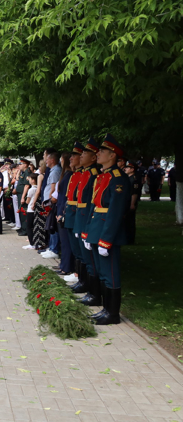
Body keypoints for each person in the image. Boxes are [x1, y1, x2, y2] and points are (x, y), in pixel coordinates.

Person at [85, 134, 131, 324]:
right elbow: (94, 206)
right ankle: (105, 309)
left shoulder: (118, 179)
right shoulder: (103, 176)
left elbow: (115, 211)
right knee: (103, 273)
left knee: (111, 274)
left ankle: (112, 314)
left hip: (107, 231)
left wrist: (106, 239)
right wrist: (88, 232)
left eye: (102, 151)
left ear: (113, 155)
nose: (98, 153)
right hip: (97, 227)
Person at [75, 138, 102, 305]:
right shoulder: (85, 173)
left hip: (87, 217)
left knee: (91, 260)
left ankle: (93, 293)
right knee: (82, 255)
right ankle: (86, 286)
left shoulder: (93, 174)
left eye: (85, 153)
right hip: (80, 215)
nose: (80, 156)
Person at [61, 142, 85, 283]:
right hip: (71, 212)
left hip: (79, 214)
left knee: (81, 251)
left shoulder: (85, 175)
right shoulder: (76, 174)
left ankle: (80, 276)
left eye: (75, 155)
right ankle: (78, 275)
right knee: (76, 249)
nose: (71, 158)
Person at [54, 150, 76, 276]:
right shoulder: (66, 174)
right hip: (61, 208)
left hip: (63, 210)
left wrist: (62, 212)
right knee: (64, 240)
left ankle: (66, 266)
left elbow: (66, 197)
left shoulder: (69, 175)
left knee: (66, 241)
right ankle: (64, 264)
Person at [122, 161, 142, 245]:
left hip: (130, 202)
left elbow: (134, 193)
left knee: (130, 221)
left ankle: (130, 239)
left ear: (132, 169)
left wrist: (132, 204)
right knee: (126, 221)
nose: (125, 169)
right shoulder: (128, 178)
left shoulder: (134, 179)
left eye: (128, 167)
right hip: (126, 202)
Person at [22, 174, 39, 249]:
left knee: (29, 227)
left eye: (30, 179)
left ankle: (32, 243)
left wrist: (26, 200)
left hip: (31, 209)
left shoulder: (31, 189)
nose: (28, 180)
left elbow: (27, 201)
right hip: (36, 209)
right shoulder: (38, 188)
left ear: (33, 180)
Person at [15, 159, 30, 234]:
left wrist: (23, 197)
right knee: (21, 212)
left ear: (25, 165)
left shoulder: (27, 172)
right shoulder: (23, 172)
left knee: (24, 212)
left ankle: (25, 230)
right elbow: (18, 179)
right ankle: (22, 228)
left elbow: (27, 185)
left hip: (23, 194)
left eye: (21, 164)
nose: (19, 165)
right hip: (20, 194)